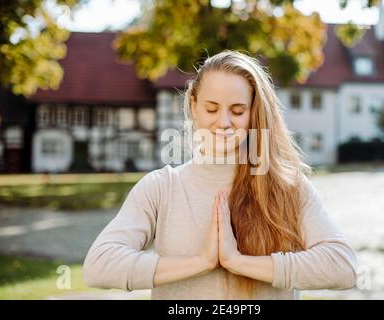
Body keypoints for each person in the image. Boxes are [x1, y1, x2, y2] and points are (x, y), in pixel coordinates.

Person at [83, 50, 358, 299]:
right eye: (211, 108)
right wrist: (201, 262)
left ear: (254, 114)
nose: (224, 122)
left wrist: (237, 262)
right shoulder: (161, 188)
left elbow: (342, 267)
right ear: (193, 106)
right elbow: (99, 266)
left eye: (238, 111)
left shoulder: (289, 186)